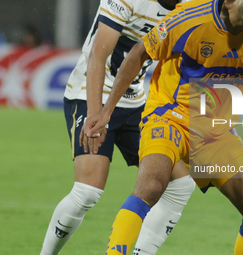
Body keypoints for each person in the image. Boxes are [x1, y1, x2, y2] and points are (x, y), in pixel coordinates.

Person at [82, 0, 243, 254]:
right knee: (151, 186)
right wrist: (107, 111)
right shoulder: (190, 19)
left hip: (216, 132)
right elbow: (139, 52)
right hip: (170, 116)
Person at [39, 0, 196, 255]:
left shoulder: (191, 6)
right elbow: (98, 56)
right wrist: (95, 115)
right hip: (90, 93)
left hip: (136, 100)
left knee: (180, 183)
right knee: (87, 192)